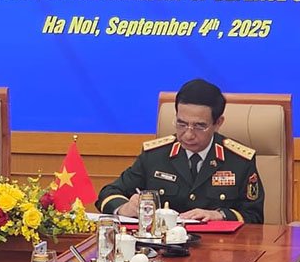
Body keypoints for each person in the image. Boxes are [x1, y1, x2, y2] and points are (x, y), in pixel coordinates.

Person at [96, 78, 264, 223]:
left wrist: (220, 215)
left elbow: (255, 216)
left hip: (220, 247)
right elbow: (108, 193)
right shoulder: (154, 156)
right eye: (181, 124)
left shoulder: (239, 161)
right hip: (162, 246)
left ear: (218, 123)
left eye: (199, 126)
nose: (188, 135)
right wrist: (125, 208)